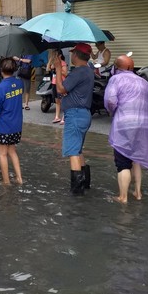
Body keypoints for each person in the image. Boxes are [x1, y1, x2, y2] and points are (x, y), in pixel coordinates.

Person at [104, 54, 148, 204]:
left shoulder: (115, 79)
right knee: (136, 158)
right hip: (144, 123)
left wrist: (112, 110)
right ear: (130, 67)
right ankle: (138, 192)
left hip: (125, 123)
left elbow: (110, 100)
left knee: (122, 162)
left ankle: (123, 197)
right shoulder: (142, 81)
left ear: (117, 67)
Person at [54, 43, 95, 195]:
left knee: (73, 152)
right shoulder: (88, 70)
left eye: (72, 53)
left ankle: (77, 192)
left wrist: (58, 68)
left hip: (75, 115)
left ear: (76, 55)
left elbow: (61, 89)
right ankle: (85, 184)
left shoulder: (79, 72)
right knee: (78, 150)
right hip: (83, 114)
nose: (71, 56)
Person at [0, 58, 24, 185]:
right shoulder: (19, 83)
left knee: (2, 153)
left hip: (4, 126)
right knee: (12, 151)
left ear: (1, 70)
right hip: (17, 126)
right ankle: (19, 178)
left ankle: (6, 181)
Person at [46, 49, 68, 124]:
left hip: (61, 83)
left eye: (55, 55)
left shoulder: (63, 63)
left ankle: (65, 116)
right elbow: (47, 69)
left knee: (62, 100)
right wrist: (50, 60)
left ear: (60, 56)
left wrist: (58, 68)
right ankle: (57, 116)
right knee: (57, 100)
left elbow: (65, 73)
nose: (54, 57)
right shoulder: (54, 63)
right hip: (54, 83)